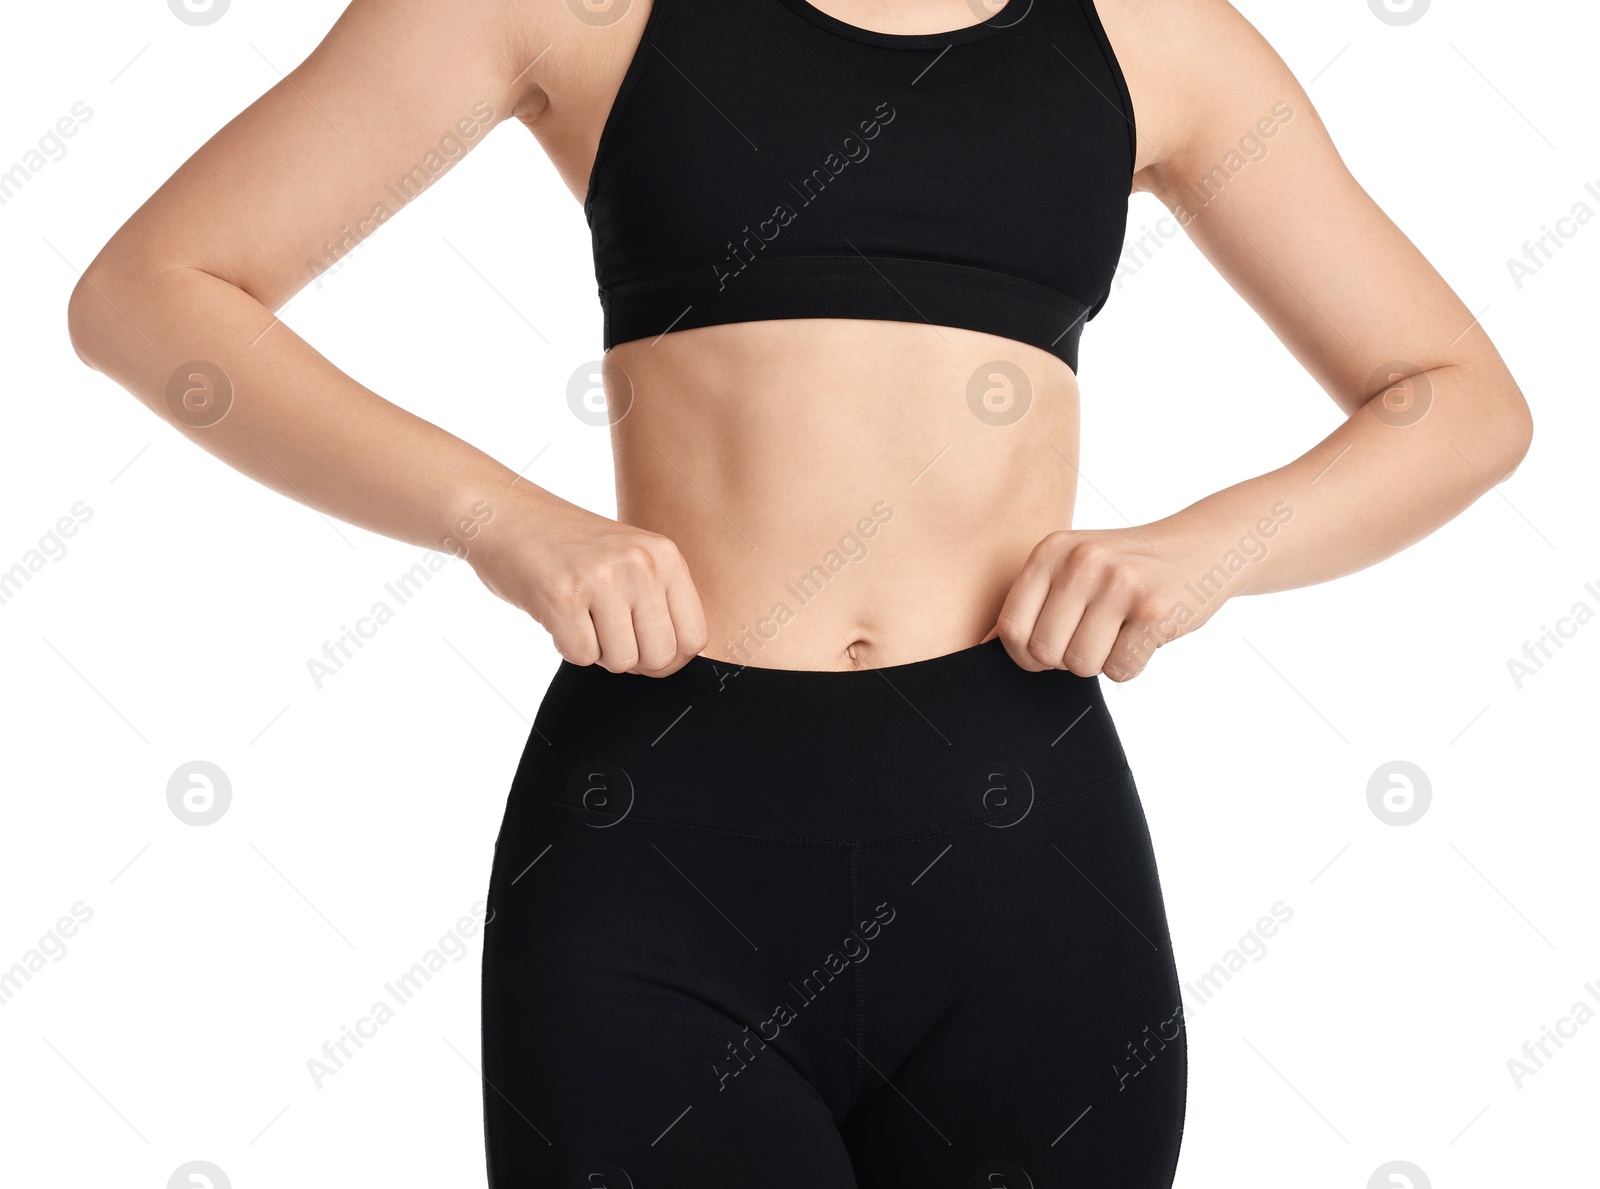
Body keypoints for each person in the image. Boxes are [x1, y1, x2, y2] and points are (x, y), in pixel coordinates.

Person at [66, 0, 1532, 1184]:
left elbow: (1459, 399)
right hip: (659, 854)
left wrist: (1213, 543)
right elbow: (154, 289)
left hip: (1019, 871)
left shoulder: (1152, 35)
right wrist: (500, 519)